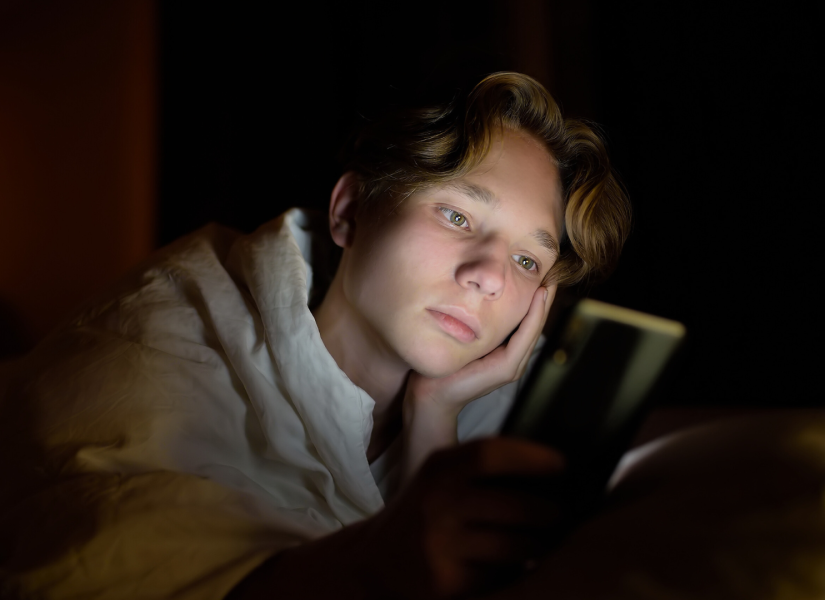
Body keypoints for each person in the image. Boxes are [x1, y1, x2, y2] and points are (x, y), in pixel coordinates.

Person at [0, 72, 630, 599]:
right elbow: (92, 554)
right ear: (349, 211)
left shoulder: (507, 408)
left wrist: (435, 411)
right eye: (457, 214)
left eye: (527, 261)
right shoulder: (166, 336)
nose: (490, 276)